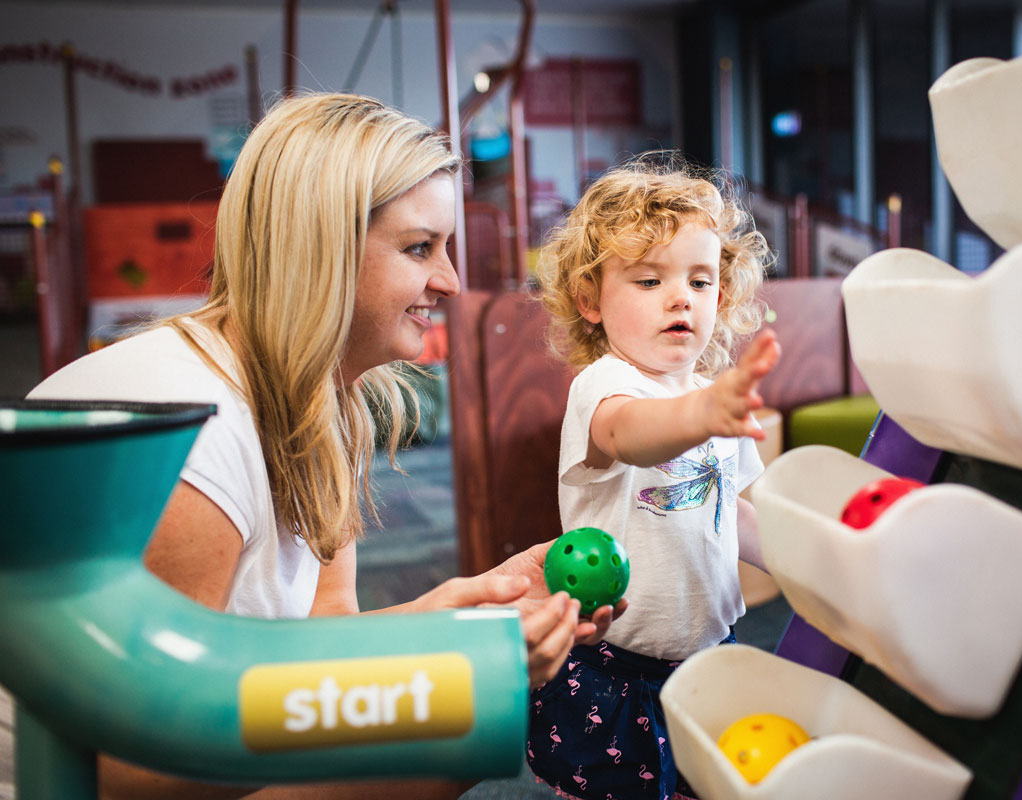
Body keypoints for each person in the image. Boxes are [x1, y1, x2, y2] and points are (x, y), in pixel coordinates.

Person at [26, 92, 620, 800]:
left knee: (463, 724)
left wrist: (453, 616)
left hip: (181, 750)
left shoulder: (326, 397)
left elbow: (324, 626)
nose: (452, 282)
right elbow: (137, 767)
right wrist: (446, 673)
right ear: (320, 249)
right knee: (455, 735)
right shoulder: (190, 430)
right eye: (420, 248)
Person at [525, 155, 780, 800]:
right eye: (648, 281)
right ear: (589, 299)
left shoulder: (707, 396)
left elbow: (736, 514)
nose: (679, 299)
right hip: (616, 667)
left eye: (699, 281)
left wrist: (809, 560)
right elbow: (630, 435)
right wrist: (705, 412)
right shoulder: (605, 387)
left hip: (710, 651)